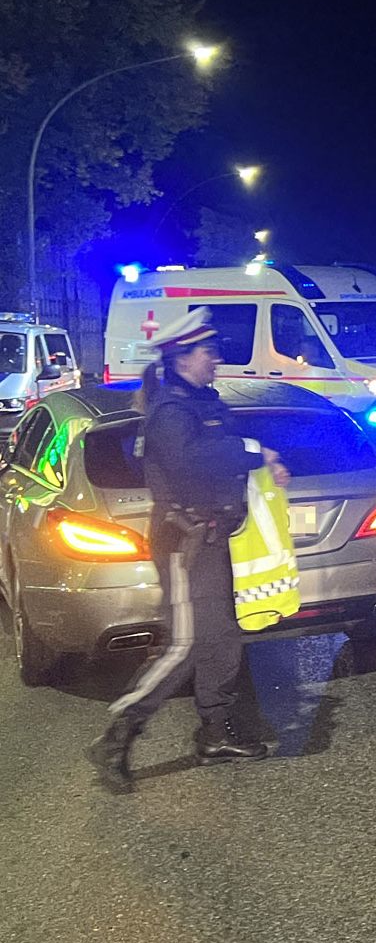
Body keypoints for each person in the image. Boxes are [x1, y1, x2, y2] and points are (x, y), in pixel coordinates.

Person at [89, 309, 291, 793]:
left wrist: (262, 465)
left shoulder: (202, 402)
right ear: (182, 357)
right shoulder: (170, 412)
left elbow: (219, 453)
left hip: (212, 538)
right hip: (184, 542)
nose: (216, 359)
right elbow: (192, 460)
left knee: (220, 639)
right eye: (209, 352)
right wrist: (255, 454)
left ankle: (215, 734)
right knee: (184, 646)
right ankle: (118, 735)